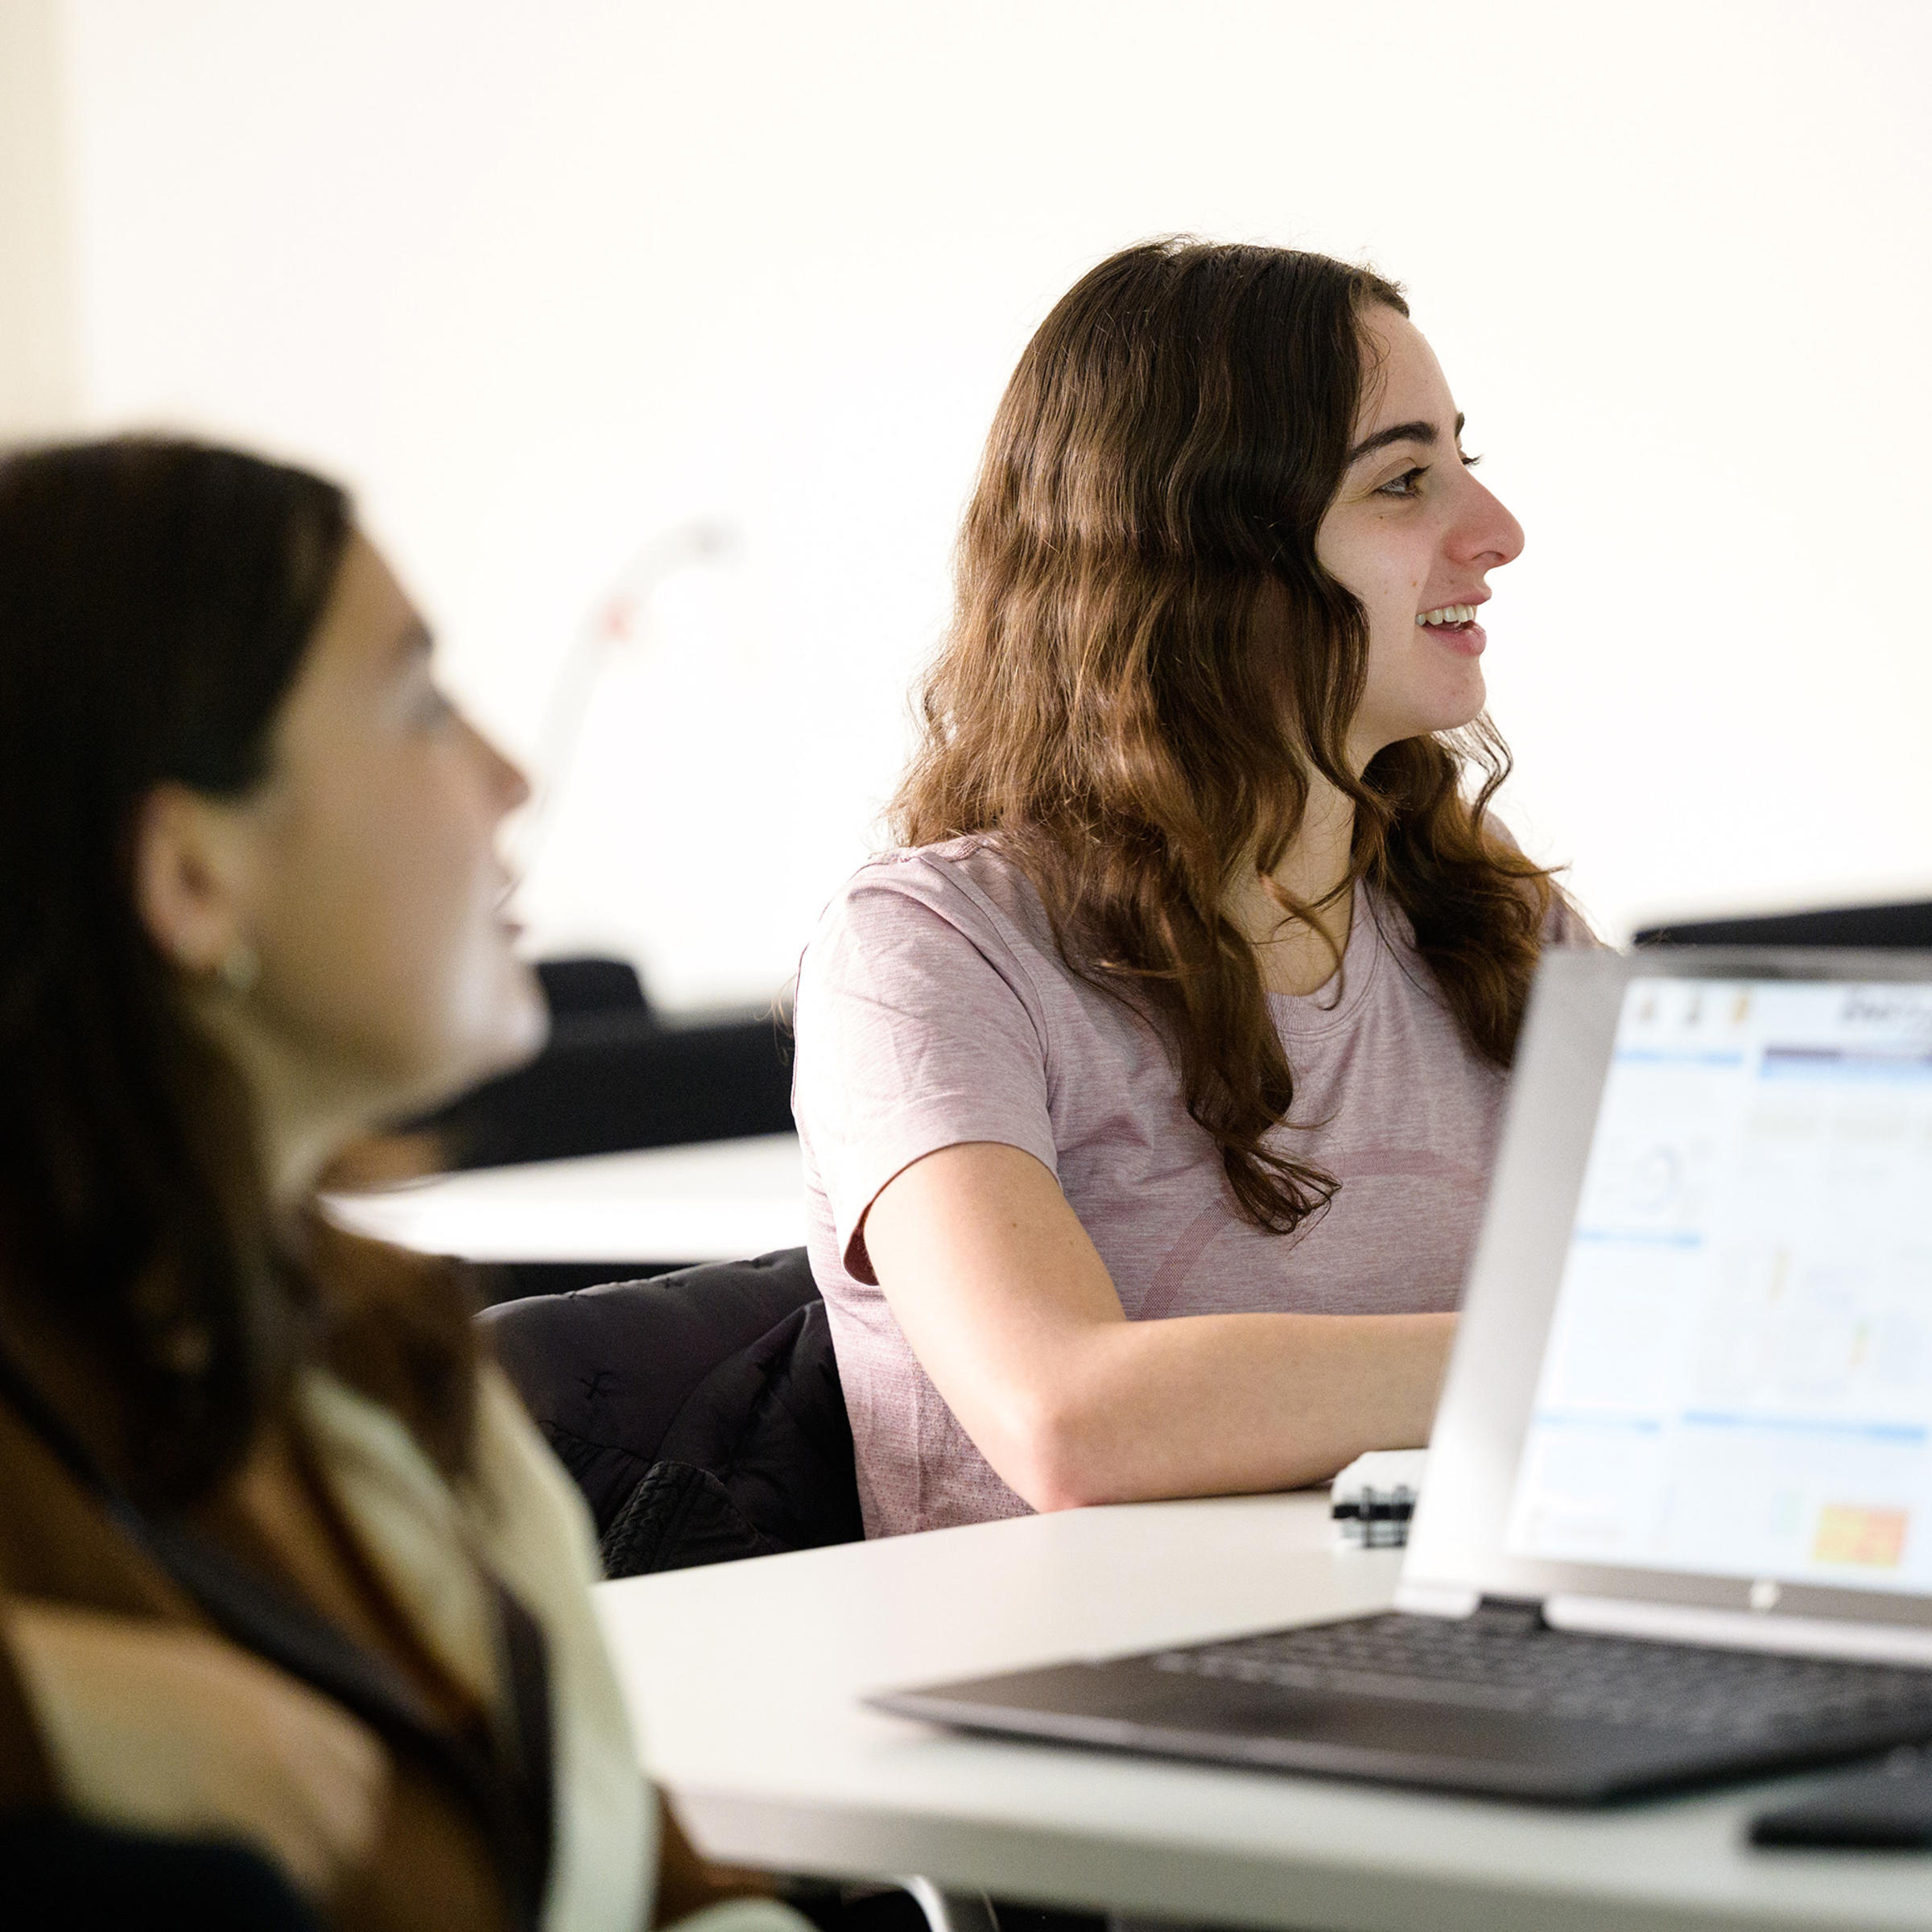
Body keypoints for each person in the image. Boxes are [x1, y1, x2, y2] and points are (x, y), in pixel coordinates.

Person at [0, 436, 803, 1932]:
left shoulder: (384, 1346)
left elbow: (652, 1888)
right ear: (189, 878)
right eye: (421, 701)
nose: (512, 775)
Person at [791, 238, 1592, 1540]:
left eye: (1464, 464)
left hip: (1434, 1666)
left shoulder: (1501, 928)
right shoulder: (933, 948)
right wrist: (1598, 1356)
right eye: (1403, 482)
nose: (1494, 535)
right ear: (1203, 559)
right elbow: (1070, 1418)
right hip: (1072, 1706)